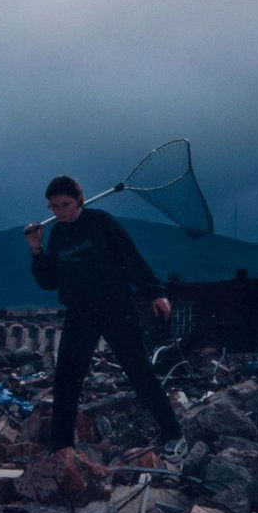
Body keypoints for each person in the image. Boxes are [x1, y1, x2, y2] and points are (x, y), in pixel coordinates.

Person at [24, 175, 187, 460]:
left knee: (139, 371)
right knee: (67, 379)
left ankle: (174, 434)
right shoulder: (58, 235)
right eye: (53, 206)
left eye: (65, 204)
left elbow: (132, 257)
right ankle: (61, 448)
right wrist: (36, 249)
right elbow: (49, 281)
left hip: (116, 308)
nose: (60, 211)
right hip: (80, 312)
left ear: (79, 201)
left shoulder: (101, 222)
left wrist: (156, 292)